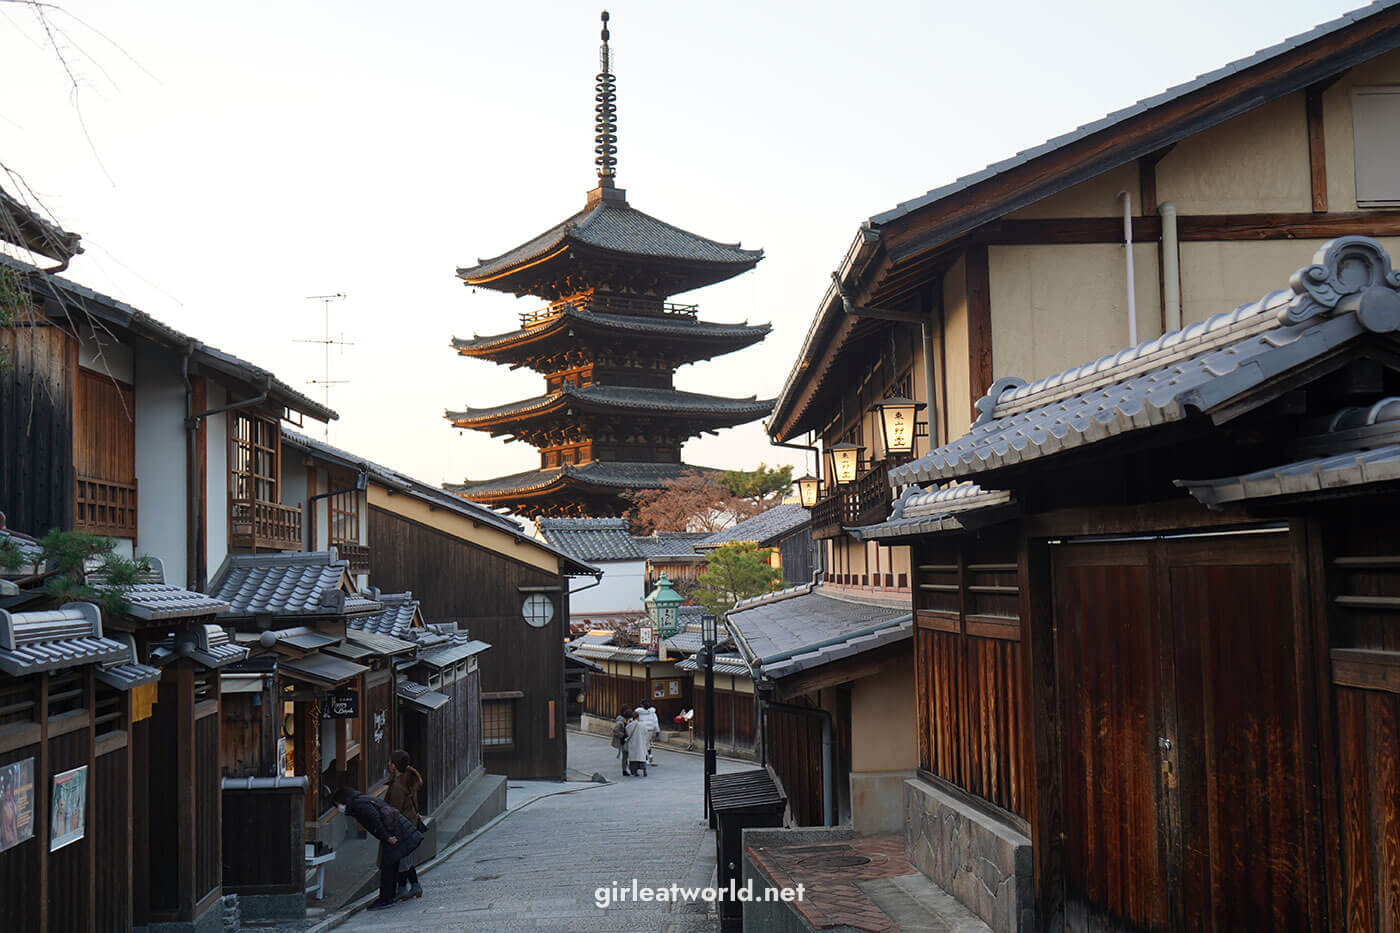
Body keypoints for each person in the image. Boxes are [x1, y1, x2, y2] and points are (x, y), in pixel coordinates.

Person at [332, 785, 423, 911]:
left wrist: (387, 837)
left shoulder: (358, 804)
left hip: (393, 831)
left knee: (388, 865)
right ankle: (390, 896)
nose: (339, 808)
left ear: (343, 800)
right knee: (391, 863)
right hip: (395, 828)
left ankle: (386, 898)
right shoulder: (360, 800)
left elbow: (375, 818)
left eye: (338, 804)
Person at [385, 750, 425, 901]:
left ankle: (412, 886)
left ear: (394, 765)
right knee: (403, 859)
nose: (388, 764)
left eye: (390, 762)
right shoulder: (406, 779)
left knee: (402, 859)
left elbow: (393, 810)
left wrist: (388, 829)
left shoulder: (397, 785)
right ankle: (405, 887)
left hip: (402, 826)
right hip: (410, 823)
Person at [624, 709, 648, 777]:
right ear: (638, 717)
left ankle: (635, 772)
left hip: (633, 744)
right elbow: (646, 732)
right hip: (641, 743)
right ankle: (644, 770)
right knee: (642, 757)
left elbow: (627, 733)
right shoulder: (643, 725)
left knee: (634, 758)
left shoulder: (629, 725)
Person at [611, 707, 632, 776]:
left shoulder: (629, 722)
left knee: (627, 756)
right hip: (623, 741)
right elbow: (614, 730)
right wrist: (622, 735)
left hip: (628, 740)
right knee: (625, 756)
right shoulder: (621, 723)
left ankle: (627, 768)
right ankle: (625, 770)